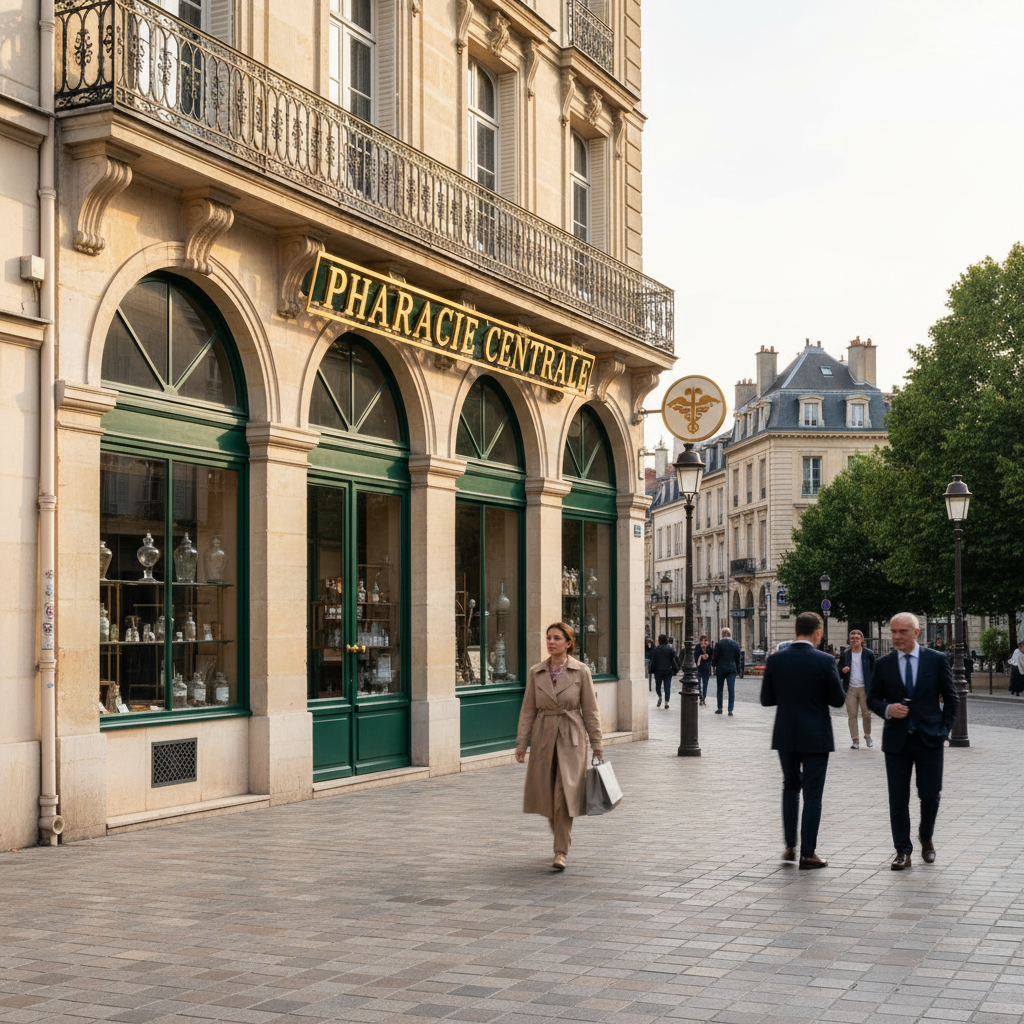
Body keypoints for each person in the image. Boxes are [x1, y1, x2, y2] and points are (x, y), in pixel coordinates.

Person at [868, 612, 959, 870]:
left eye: (902, 632)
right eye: (893, 632)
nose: (896, 637)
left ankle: (926, 836)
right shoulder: (883, 664)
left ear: (916, 633)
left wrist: (943, 730)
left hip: (929, 738)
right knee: (898, 797)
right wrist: (887, 709)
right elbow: (872, 698)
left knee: (930, 794)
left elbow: (952, 699)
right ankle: (902, 851)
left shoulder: (937, 659)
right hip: (896, 741)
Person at [760, 612, 846, 869]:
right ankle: (808, 854)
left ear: (796, 630)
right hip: (816, 734)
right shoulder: (825, 660)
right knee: (813, 793)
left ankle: (789, 846)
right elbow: (838, 700)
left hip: (786, 733)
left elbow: (766, 699)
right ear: (817, 633)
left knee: (790, 787)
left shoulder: (776, 660)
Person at [515, 622, 603, 871]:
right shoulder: (536, 672)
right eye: (548, 638)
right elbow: (528, 710)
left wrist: (597, 743)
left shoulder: (581, 671)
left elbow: (591, 710)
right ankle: (560, 833)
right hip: (543, 736)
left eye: (556, 638)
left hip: (571, 736)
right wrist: (522, 744)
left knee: (564, 794)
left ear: (568, 643)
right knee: (547, 795)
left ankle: (560, 851)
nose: (551, 642)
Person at [838, 630, 876, 749]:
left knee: (867, 714)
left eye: (856, 638)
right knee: (852, 715)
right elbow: (838, 669)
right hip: (850, 688)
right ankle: (855, 739)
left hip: (865, 687)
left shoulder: (868, 653)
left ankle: (867, 735)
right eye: (852, 638)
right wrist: (842, 670)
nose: (854, 640)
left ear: (862, 640)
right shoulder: (846, 653)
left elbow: (874, 671)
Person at [711, 626, 741, 715]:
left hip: (721, 668)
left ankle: (720, 708)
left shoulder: (719, 644)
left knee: (720, 689)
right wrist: (737, 668)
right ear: (730, 634)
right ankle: (730, 709)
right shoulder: (735, 644)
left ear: (722, 634)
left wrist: (714, 665)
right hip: (731, 668)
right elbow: (738, 657)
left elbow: (715, 656)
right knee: (731, 689)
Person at [648, 633, 679, 710]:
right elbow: (674, 659)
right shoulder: (670, 649)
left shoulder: (656, 649)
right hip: (668, 670)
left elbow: (653, 661)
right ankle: (666, 703)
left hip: (658, 671)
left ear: (659, 641)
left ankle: (660, 696)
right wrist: (675, 669)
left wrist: (652, 669)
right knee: (667, 686)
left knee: (658, 686)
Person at [695, 634, 712, 706]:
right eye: (702, 641)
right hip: (699, 668)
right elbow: (695, 656)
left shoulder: (709, 648)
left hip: (707, 668)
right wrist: (701, 656)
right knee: (698, 684)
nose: (703, 643)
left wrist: (707, 656)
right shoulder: (697, 647)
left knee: (705, 684)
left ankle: (703, 698)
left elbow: (712, 657)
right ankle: (701, 697)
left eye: (705, 641)